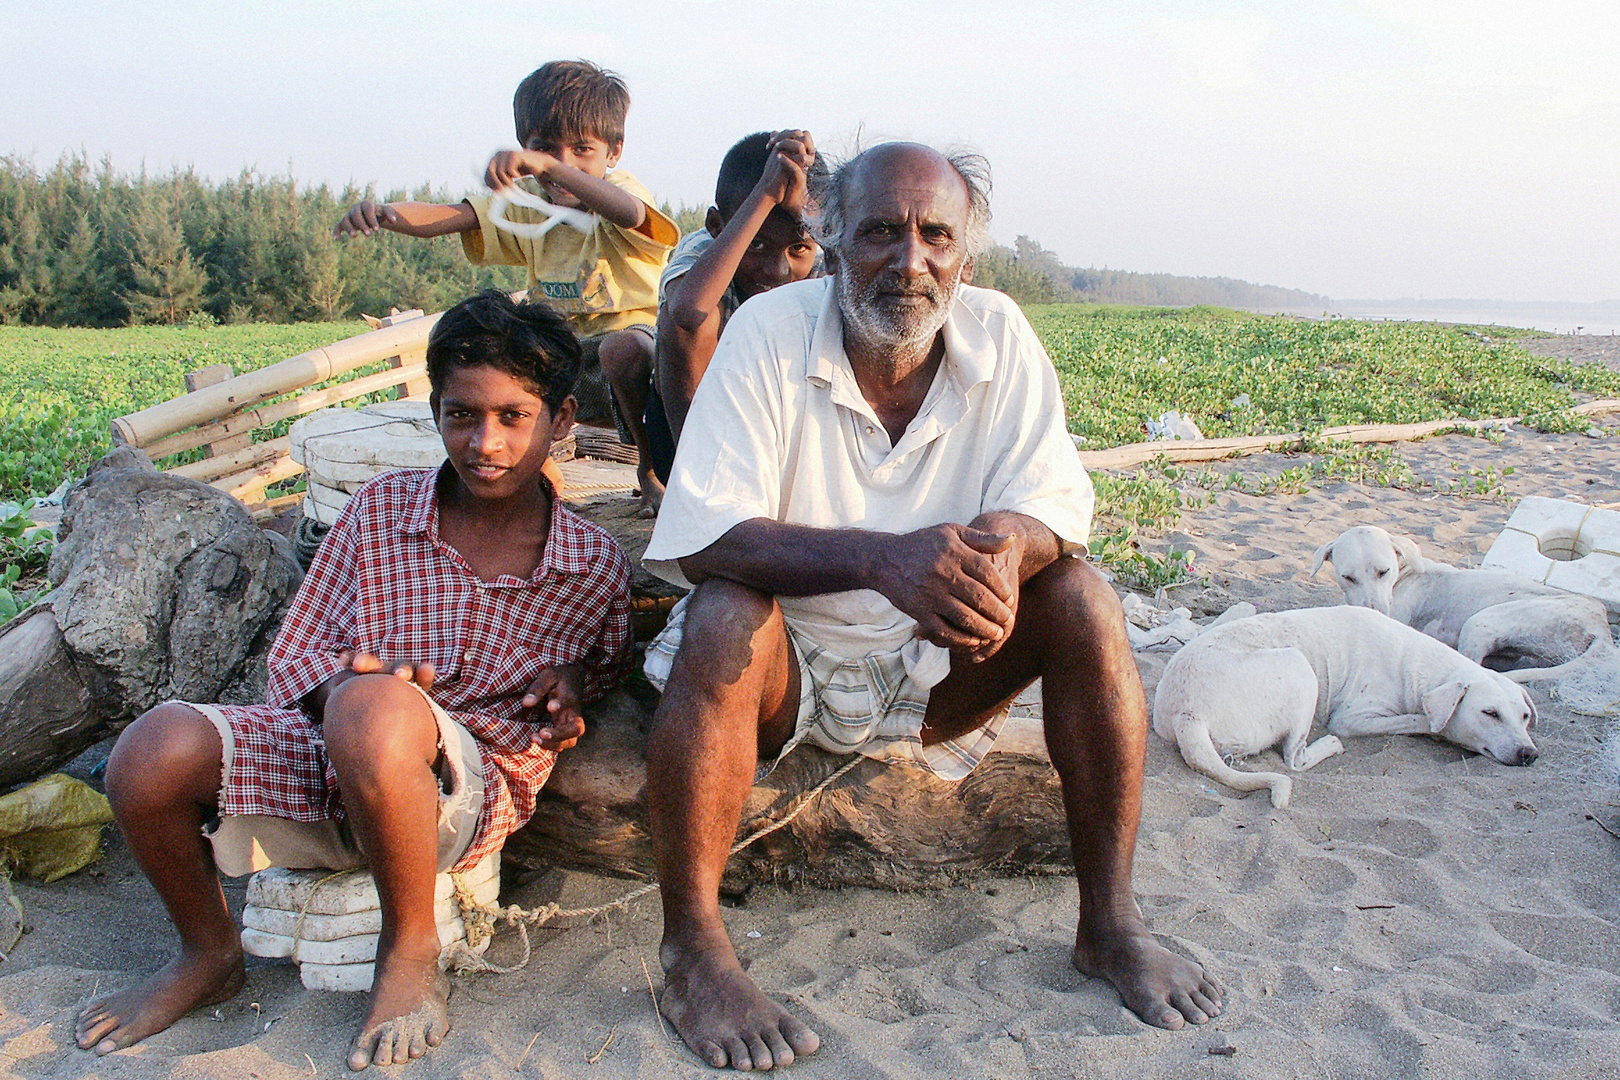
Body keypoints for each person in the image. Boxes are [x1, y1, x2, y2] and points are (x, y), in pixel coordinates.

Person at [639, 142, 1224, 1071]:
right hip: (783, 672)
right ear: (831, 240)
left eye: (934, 235)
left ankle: (1109, 922)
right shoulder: (768, 334)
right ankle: (694, 952)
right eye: (879, 231)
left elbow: (1059, 509)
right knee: (721, 613)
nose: (909, 260)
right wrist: (881, 560)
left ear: (965, 256)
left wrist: (1009, 546)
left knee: (1082, 600)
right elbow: (704, 534)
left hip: (936, 666)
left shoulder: (1001, 336)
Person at [75, 291, 633, 1071]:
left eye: (513, 416)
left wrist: (567, 688)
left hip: (456, 798)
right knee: (150, 751)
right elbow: (295, 655)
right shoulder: (378, 514)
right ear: (434, 411)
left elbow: (600, 674)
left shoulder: (587, 564)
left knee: (377, 712)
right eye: (461, 415)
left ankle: (409, 951)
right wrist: (340, 691)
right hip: (331, 760)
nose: (485, 441)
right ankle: (207, 953)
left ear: (563, 419)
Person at [334, 59, 679, 508]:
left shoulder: (620, 193)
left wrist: (551, 167)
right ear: (524, 148)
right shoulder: (529, 205)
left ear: (613, 152)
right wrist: (384, 214)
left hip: (633, 360)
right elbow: (453, 216)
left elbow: (632, 213)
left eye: (581, 150)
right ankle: (539, 475)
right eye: (544, 148)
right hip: (562, 355)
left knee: (623, 347)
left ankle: (650, 468)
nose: (561, 163)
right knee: (500, 359)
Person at [646, 130, 824, 491]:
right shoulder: (702, 250)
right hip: (689, 439)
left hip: (778, 444)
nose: (778, 270)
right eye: (756, 243)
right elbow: (686, 313)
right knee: (692, 321)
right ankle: (692, 488)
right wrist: (765, 194)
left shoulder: (824, 258)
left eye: (798, 249)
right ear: (716, 227)